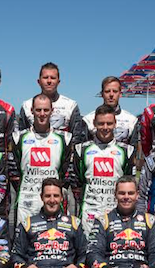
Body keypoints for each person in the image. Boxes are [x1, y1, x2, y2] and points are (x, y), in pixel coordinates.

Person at [71, 105, 136, 236]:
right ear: (94, 123)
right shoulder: (81, 150)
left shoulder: (127, 151)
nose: (105, 127)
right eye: (101, 123)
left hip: (115, 212)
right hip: (89, 213)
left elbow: (128, 182)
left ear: (115, 124)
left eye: (109, 123)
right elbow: (78, 183)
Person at [12, 94, 72, 225]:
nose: (42, 114)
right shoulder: (18, 138)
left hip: (52, 201)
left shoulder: (64, 139)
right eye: (38, 110)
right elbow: (15, 170)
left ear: (52, 111)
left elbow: (65, 171)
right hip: (26, 201)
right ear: (32, 111)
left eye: (46, 110)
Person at [18, 62, 85, 143]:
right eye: (45, 77)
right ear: (39, 81)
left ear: (58, 82)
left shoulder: (70, 105)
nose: (49, 81)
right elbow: (21, 137)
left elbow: (76, 138)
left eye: (53, 78)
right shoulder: (27, 106)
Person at [83, 76, 138, 146]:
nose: (111, 94)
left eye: (115, 91)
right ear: (102, 94)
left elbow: (133, 150)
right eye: (107, 91)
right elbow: (83, 148)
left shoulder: (132, 120)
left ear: (120, 94)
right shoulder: (88, 119)